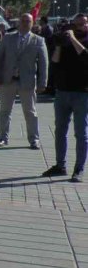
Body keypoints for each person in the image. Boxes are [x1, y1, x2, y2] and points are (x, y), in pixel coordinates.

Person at [0, 13, 48, 149]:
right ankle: (3, 138)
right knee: (4, 111)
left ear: (32, 23)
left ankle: (34, 139)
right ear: (18, 23)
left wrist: (43, 83)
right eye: (22, 20)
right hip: (7, 80)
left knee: (30, 112)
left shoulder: (39, 40)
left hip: (27, 81)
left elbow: (43, 64)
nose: (24, 23)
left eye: (28, 21)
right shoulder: (8, 38)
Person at [42, 14, 88, 183]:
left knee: (81, 133)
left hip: (82, 93)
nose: (80, 26)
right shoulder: (65, 40)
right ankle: (60, 166)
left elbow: (85, 57)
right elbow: (55, 62)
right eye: (77, 24)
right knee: (60, 130)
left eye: (83, 23)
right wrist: (60, 45)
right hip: (62, 92)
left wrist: (73, 39)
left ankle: (79, 169)